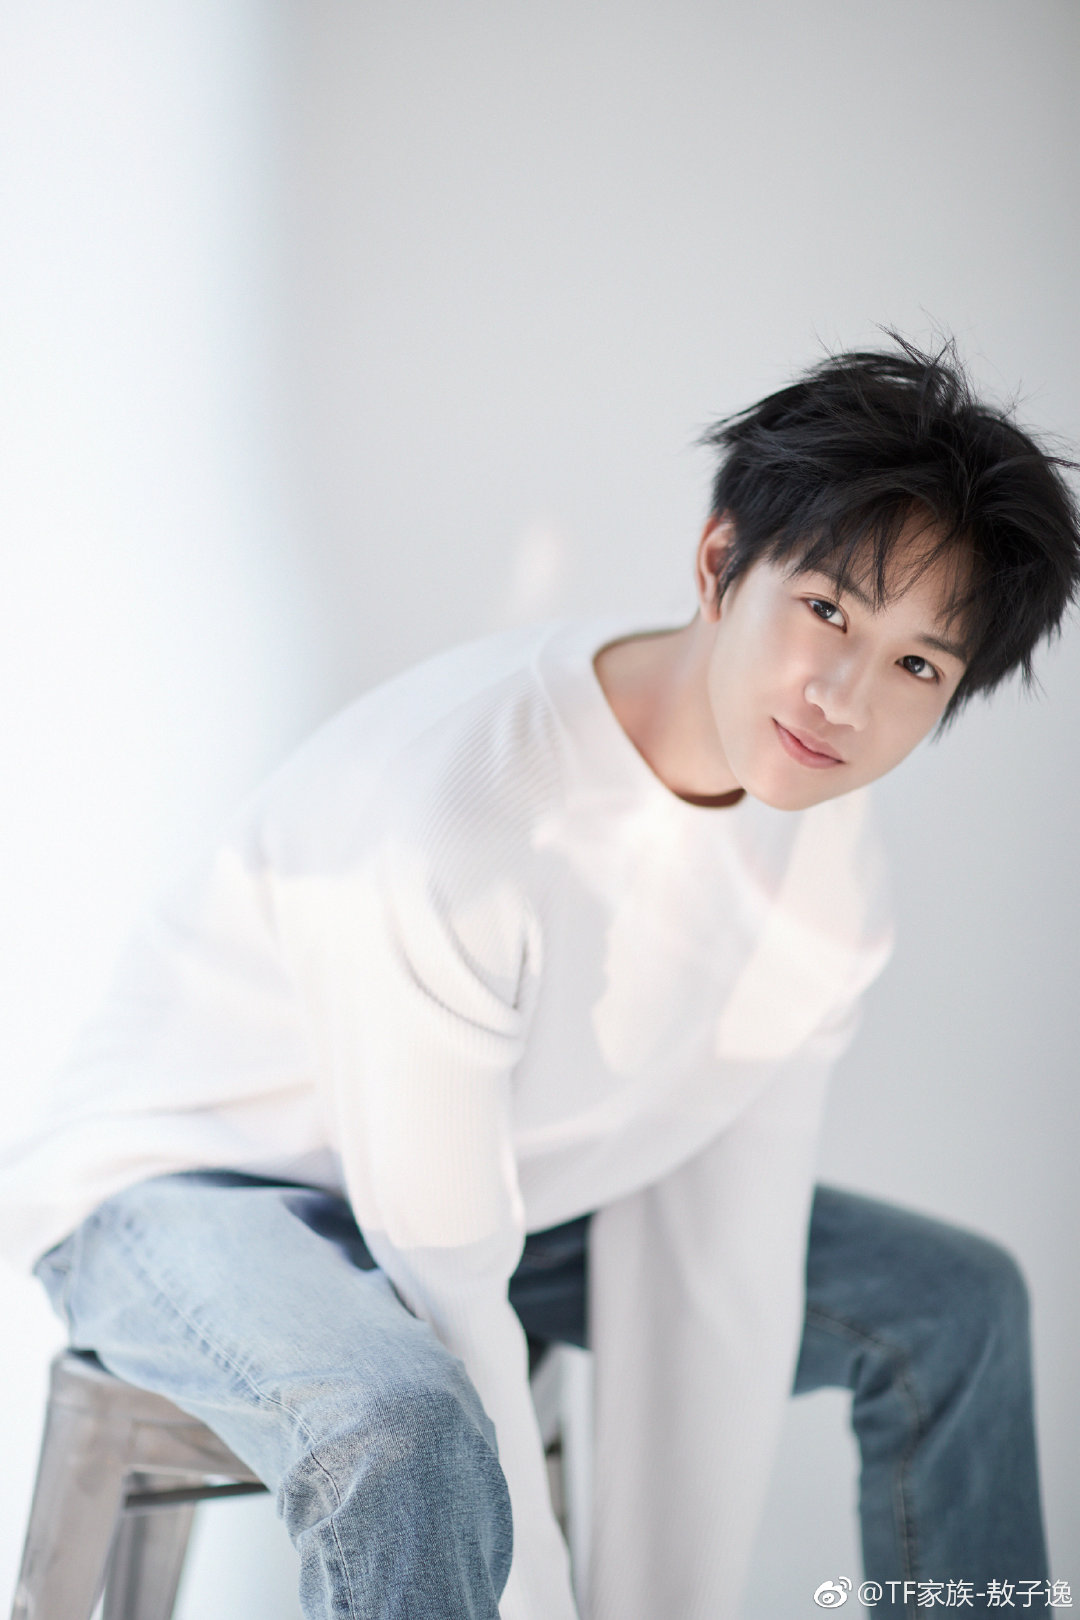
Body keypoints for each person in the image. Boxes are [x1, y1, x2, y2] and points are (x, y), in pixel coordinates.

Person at [3, 333, 1077, 1620]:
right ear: (720, 563)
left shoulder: (830, 875)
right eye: (827, 610)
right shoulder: (469, 813)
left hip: (509, 1189)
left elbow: (721, 1270)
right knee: (404, 1426)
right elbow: (444, 1272)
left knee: (953, 1304)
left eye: (917, 665)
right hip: (192, 1187)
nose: (844, 696)